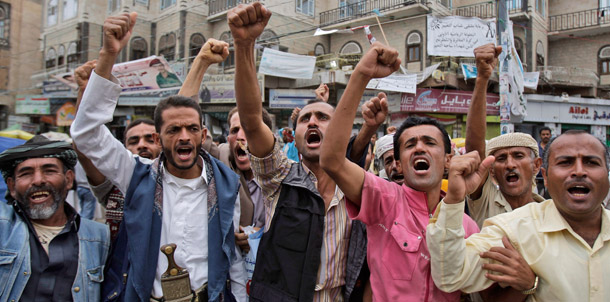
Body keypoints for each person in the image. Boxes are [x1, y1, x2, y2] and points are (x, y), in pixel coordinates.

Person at [71, 12, 246, 302]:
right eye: (173, 130)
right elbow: (86, 133)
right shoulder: (136, 175)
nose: (184, 137)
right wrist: (108, 54)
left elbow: (233, 258)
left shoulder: (227, 185)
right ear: (157, 138)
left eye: (192, 129)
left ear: (203, 136)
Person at [230, 3, 377, 301]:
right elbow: (251, 119)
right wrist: (244, 46)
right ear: (293, 139)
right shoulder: (279, 179)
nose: (312, 121)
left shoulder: (361, 190)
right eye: (305, 119)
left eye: (324, 118)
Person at [319, 42, 480, 301]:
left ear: (448, 160)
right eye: (409, 145)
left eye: (429, 142)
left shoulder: (467, 226)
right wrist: (362, 74)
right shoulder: (384, 199)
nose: (419, 148)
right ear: (399, 163)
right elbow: (332, 161)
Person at [427, 130, 610, 301]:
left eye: (591, 162)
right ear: (546, 177)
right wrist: (454, 199)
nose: (579, 171)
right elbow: (450, 275)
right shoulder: (513, 230)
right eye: (565, 162)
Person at [465, 43, 545, 302]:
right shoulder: (485, 201)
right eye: (501, 158)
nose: (509, 164)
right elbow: (475, 151)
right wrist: (482, 79)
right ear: (493, 172)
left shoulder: (552, 214)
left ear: (536, 166)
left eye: (518, 156)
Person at [0, 135, 110, 301]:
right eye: (26, 173)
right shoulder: (3, 227)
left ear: (68, 179)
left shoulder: (99, 237)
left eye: (49, 171)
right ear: (12, 187)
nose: (38, 180)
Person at [536, 126, 552, 197]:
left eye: (547, 134)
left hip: (550, 179)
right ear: (540, 135)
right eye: (543, 134)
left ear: (550, 135)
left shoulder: (554, 147)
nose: (545, 136)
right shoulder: (535, 147)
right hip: (537, 179)